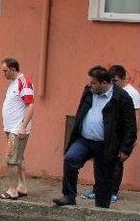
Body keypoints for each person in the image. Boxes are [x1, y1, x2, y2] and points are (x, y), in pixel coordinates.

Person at [54, 66, 136, 208]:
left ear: (104, 83)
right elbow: (81, 111)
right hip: (84, 140)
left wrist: (125, 148)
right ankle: (69, 196)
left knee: (104, 177)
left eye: (93, 83)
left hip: (107, 143)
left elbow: (130, 125)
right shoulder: (89, 92)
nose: (90, 85)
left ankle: (101, 208)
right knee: (70, 159)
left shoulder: (121, 97)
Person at [82, 65, 140, 202]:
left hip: (122, 135)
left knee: (116, 162)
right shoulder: (109, 91)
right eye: (111, 81)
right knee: (100, 161)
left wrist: (133, 137)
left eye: (115, 81)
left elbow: (136, 116)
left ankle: (113, 192)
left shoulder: (131, 94)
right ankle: (98, 190)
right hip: (107, 134)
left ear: (123, 78)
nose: (113, 84)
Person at [0, 57, 34, 200]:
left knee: (11, 159)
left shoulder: (23, 82)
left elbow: (30, 105)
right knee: (18, 158)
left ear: (13, 69)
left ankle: (12, 190)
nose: (3, 74)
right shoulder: (14, 83)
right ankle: (22, 186)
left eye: (5, 71)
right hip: (12, 128)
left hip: (17, 129)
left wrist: (23, 126)